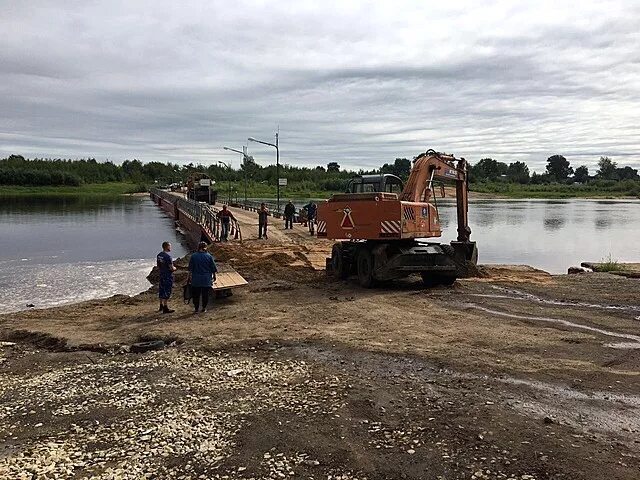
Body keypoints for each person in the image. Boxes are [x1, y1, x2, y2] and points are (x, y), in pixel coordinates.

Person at [188, 241, 217, 313]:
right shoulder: (209, 256)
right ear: (205, 247)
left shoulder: (193, 256)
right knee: (205, 294)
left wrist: (189, 278)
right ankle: (204, 308)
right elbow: (213, 268)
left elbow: (190, 269)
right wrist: (214, 276)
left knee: (196, 295)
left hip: (196, 279)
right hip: (206, 279)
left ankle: (196, 309)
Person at [156, 241, 176, 313]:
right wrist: (175, 268)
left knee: (161, 289)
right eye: (170, 246)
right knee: (167, 290)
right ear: (167, 247)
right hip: (167, 275)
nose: (170, 247)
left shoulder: (159, 255)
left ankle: (161, 305)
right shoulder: (168, 257)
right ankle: (165, 307)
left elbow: (158, 266)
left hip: (161, 274)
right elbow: (171, 268)